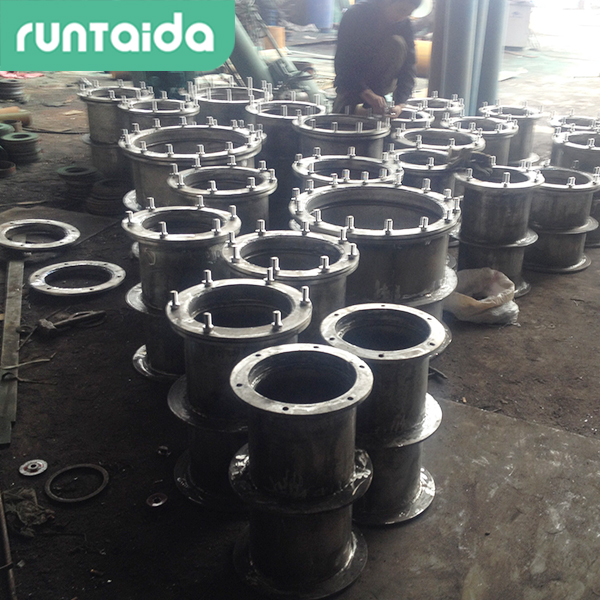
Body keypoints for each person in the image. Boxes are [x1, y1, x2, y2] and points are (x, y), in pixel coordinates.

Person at [332, 0, 422, 117]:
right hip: (351, 80)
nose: (401, 17)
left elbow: (409, 67)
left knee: (397, 43)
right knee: (344, 115)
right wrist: (365, 92)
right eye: (401, 10)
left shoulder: (405, 24)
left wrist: (400, 103)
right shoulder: (356, 15)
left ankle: (376, 102)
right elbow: (343, 63)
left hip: (381, 82)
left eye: (408, 14)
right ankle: (347, 102)